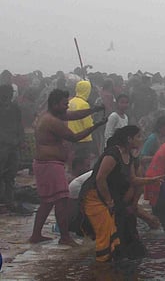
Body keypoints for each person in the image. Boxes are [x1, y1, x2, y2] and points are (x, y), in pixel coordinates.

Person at [30, 89, 107, 245]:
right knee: (61, 199)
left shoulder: (53, 115)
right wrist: (96, 125)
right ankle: (64, 237)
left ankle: (36, 235)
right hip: (49, 165)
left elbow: (75, 115)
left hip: (48, 164)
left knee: (48, 202)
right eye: (65, 104)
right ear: (54, 104)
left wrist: (93, 110)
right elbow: (74, 137)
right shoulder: (52, 121)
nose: (67, 107)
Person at [81, 126, 160, 261]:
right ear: (129, 139)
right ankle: (102, 267)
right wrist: (109, 201)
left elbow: (133, 179)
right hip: (94, 197)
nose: (141, 140)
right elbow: (100, 178)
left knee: (119, 228)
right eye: (138, 137)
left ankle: (115, 260)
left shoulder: (128, 155)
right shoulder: (113, 154)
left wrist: (151, 180)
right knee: (106, 230)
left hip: (109, 196)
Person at [0, 84, 26, 213]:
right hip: (2, 146)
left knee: (10, 175)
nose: (9, 95)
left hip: (13, 145)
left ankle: (8, 200)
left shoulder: (15, 107)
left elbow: (19, 125)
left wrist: (21, 140)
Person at [69, 80, 99, 163]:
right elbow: (88, 124)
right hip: (83, 139)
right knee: (83, 163)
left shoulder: (70, 102)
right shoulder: (84, 104)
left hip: (71, 137)